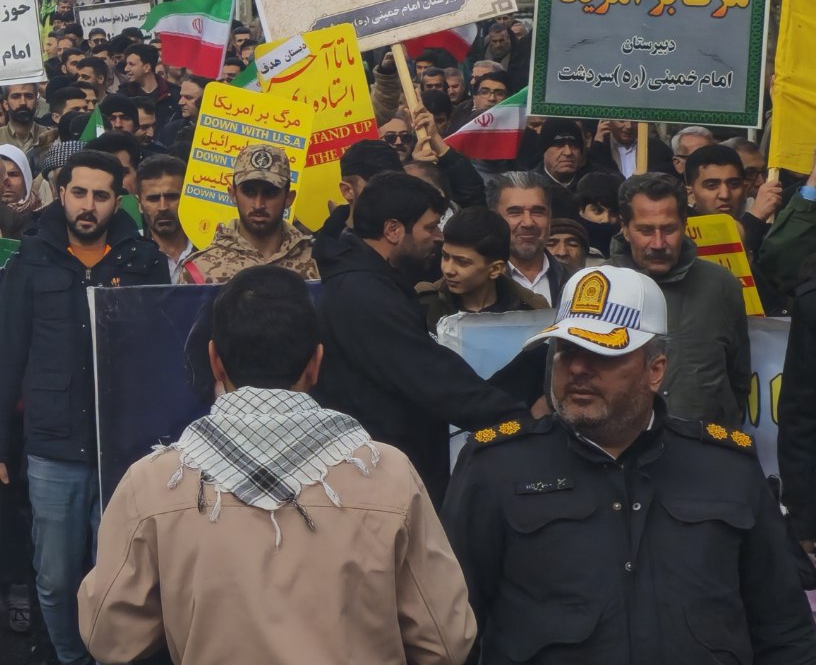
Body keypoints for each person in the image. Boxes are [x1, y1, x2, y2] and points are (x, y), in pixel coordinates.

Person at [79, 267, 476, 665]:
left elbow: (110, 636)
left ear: (215, 360)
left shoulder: (155, 483)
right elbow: (445, 640)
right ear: (315, 363)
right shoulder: (388, 474)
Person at [444, 265, 816, 664]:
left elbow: (784, 631)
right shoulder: (497, 467)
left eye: (602, 353)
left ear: (655, 370)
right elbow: (448, 632)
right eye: (567, 350)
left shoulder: (726, 467)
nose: (578, 368)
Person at [0, 150, 166, 665]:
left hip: (124, 447)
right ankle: (70, 658)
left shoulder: (141, 259)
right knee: (55, 579)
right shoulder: (31, 258)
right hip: (53, 444)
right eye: (79, 193)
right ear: (61, 195)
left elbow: (161, 353)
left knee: (123, 577)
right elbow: (5, 354)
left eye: (101, 195)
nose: (89, 205)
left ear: (116, 200)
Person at [313, 175, 533, 502]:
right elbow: (430, 377)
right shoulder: (364, 295)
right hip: (380, 487)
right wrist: (519, 423)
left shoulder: (375, 284)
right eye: (430, 227)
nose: (439, 238)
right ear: (393, 231)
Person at [610, 173, 749, 428]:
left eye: (669, 229)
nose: (659, 243)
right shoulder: (596, 286)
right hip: (619, 448)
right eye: (646, 230)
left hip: (704, 449)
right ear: (625, 228)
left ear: (684, 224)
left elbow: (739, 378)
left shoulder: (721, 285)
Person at [191, 145, 318, 282]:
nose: (258, 205)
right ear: (233, 194)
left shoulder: (318, 262)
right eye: (249, 192)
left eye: (270, 193)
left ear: (288, 198)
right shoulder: (199, 270)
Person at [417, 206, 549, 330]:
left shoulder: (532, 311)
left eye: (462, 262)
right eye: (445, 257)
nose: (448, 270)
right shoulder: (424, 304)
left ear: (495, 269)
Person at [492, 175, 561, 307]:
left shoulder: (575, 280)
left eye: (538, 212)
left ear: (550, 218)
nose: (528, 223)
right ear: (494, 218)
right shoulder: (478, 284)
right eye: (515, 212)